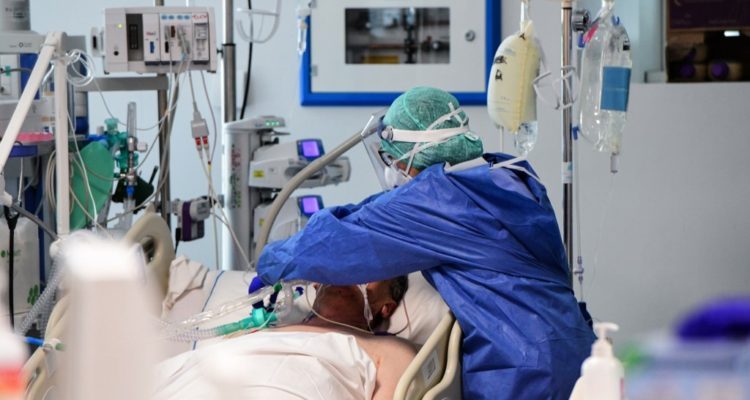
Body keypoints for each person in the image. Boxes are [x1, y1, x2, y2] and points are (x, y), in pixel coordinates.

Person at [256, 86, 596, 399]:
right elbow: (373, 213)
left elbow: (331, 245)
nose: (393, 169)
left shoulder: (438, 199)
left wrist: (271, 263)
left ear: (413, 153)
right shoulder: (505, 175)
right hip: (574, 351)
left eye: (393, 159)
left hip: (525, 375)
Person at [153, 277, 414, 400]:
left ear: (387, 307)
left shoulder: (388, 349)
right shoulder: (261, 331)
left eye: (371, 269)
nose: (353, 271)